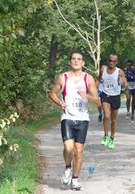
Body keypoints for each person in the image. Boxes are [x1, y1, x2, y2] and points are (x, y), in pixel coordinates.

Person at [49, 51, 100, 190]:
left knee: (79, 150)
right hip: (68, 117)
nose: (76, 61)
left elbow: (98, 101)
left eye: (79, 59)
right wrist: (60, 102)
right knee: (68, 148)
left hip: (83, 118)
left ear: (83, 63)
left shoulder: (88, 79)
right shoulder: (63, 77)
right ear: (70, 62)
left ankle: (75, 179)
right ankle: (67, 167)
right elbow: (52, 93)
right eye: (73, 59)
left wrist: (87, 96)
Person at [96, 54, 128, 149]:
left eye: (114, 61)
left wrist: (123, 84)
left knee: (113, 120)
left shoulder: (120, 72)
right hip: (105, 95)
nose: (111, 63)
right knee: (106, 116)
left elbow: (125, 83)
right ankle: (105, 136)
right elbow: (98, 79)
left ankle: (112, 138)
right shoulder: (103, 70)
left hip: (116, 96)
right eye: (110, 60)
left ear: (116, 62)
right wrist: (94, 88)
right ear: (108, 61)